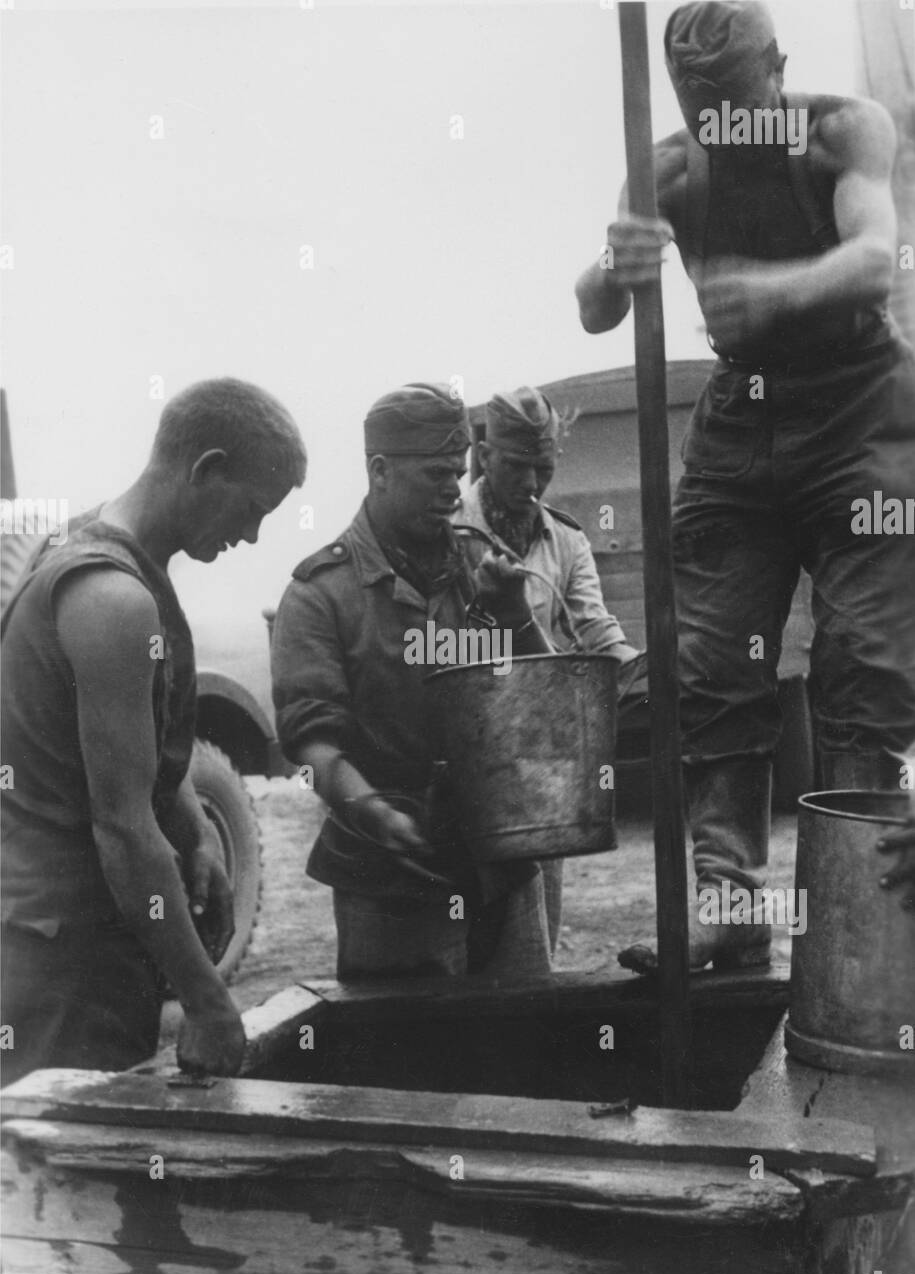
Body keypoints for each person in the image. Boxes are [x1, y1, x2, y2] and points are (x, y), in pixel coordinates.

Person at [574, 0, 915, 971]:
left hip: (863, 414)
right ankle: (727, 906)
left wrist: (774, 289)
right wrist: (615, 263)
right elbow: (598, 303)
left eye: (738, 98)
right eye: (704, 106)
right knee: (714, 664)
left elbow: (869, 255)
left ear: (778, 69)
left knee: (865, 672)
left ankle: (857, 910)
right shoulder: (673, 167)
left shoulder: (845, 130)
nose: (725, 122)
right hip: (744, 422)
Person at [0, 378, 307, 1084]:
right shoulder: (113, 599)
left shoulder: (97, 548)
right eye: (252, 509)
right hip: (64, 965)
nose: (251, 535)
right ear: (206, 469)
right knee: (64, 1182)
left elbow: (144, 769)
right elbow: (124, 829)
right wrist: (207, 1002)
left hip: (72, 945)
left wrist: (198, 832)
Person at [271, 382, 556, 982]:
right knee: (403, 1067)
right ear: (379, 471)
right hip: (388, 886)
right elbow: (311, 745)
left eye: (458, 473)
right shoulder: (321, 594)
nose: (455, 491)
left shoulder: (481, 568)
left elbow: (546, 706)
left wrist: (515, 617)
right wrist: (373, 811)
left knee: (528, 1052)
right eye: (436, 475)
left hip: (500, 871)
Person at [454, 384, 646, 952]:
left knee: (536, 942)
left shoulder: (564, 540)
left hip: (540, 759)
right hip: (465, 754)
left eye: (544, 468)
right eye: (516, 466)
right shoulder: (446, 532)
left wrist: (642, 675)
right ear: (485, 456)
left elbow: (595, 629)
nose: (532, 484)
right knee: (460, 942)